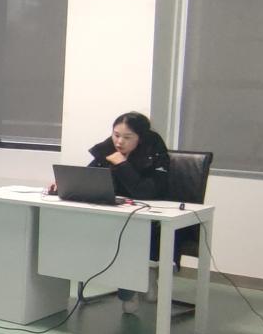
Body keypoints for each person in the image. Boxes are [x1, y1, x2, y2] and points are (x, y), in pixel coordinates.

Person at [51, 111, 172, 312]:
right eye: (116, 135)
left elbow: (147, 192)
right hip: (114, 212)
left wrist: (122, 164)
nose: (119, 142)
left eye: (127, 137)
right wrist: (62, 186)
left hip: (147, 217)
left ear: (140, 138)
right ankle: (134, 283)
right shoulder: (108, 149)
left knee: (130, 233)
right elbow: (88, 177)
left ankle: (138, 283)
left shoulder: (155, 154)